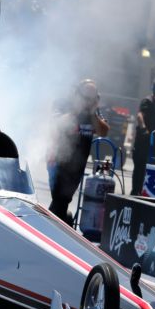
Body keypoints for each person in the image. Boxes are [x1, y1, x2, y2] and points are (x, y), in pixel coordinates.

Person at [47, 79, 109, 224]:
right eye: (86, 98)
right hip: (58, 159)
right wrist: (76, 110)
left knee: (65, 200)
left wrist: (93, 113)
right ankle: (49, 230)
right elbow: (58, 124)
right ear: (77, 94)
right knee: (59, 199)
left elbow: (104, 131)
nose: (88, 102)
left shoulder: (93, 112)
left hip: (78, 164)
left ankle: (59, 224)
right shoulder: (63, 104)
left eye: (92, 99)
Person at [131, 79, 155, 195]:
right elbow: (140, 115)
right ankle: (135, 192)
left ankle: (150, 192)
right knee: (140, 167)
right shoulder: (147, 101)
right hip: (144, 138)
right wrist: (143, 128)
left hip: (153, 139)